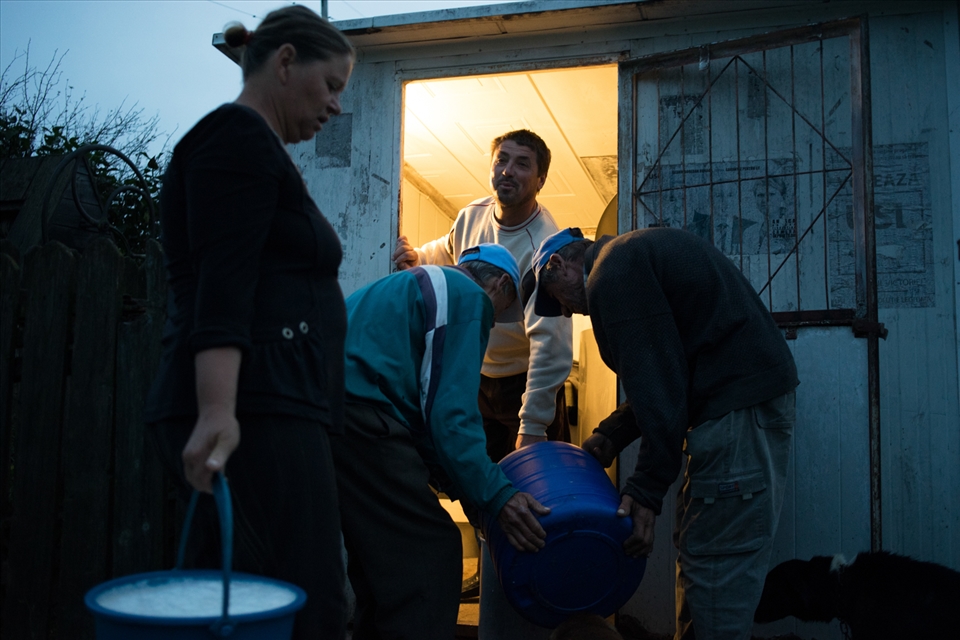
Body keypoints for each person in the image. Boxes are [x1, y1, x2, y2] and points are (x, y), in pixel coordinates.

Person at [143, 7, 354, 639]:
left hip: (274, 404)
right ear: (286, 61)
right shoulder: (235, 137)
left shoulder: (255, 146)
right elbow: (223, 284)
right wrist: (217, 411)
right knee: (300, 609)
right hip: (254, 410)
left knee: (261, 605)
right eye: (333, 86)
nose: (337, 107)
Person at [532, 227, 799, 640]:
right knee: (702, 551)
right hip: (740, 412)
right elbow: (668, 370)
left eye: (560, 301)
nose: (569, 313)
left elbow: (659, 386)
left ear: (559, 264)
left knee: (715, 566)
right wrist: (613, 433)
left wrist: (645, 490)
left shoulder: (611, 273)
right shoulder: (630, 256)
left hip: (735, 415)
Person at [332, 243, 551, 639]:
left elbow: (424, 417)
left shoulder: (410, 283)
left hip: (331, 418)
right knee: (430, 554)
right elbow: (450, 417)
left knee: (379, 561)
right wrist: (499, 495)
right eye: (501, 312)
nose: (494, 320)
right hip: (364, 421)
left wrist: (467, 492)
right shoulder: (466, 296)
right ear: (500, 285)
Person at [392, 129, 573, 464]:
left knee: (539, 482)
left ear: (541, 180)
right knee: (480, 478)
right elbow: (448, 251)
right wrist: (417, 258)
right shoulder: (471, 215)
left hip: (525, 382)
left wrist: (533, 424)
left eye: (522, 164)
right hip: (476, 373)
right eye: (501, 160)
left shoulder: (545, 248)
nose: (507, 170)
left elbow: (552, 346)